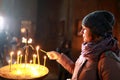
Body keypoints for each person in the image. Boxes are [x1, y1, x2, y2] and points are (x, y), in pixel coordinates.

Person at [47, 10, 120, 80]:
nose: (81, 32)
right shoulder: (88, 51)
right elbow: (77, 71)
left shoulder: (108, 61)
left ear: (96, 32)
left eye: (84, 29)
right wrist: (59, 57)